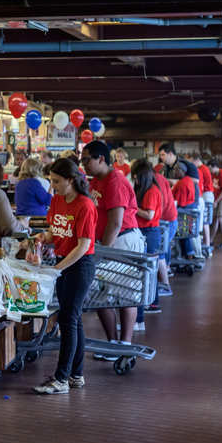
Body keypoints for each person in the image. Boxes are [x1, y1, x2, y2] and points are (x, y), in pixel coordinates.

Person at [32, 158, 97, 395]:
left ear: (71, 180)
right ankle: (76, 375)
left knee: (68, 320)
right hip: (64, 264)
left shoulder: (85, 205)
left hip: (79, 267)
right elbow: (55, 230)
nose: (53, 186)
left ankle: (61, 378)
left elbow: (83, 246)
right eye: (51, 181)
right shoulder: (58, 200)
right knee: (73, 320)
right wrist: (43, 238)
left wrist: (58, 267)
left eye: (57, 181)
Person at [81, 141, 143, 356]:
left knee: (126, 295)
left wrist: (102, 250)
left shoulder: (115, 181)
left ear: (101, 159)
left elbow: (116, 222)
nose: (84, 164)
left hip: (122, 240)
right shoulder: (96, 182)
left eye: (86, 159)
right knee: (98, 294)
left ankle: (124, 345)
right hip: (106, 241)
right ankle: (112, 344)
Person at [131, 159, 163, 323]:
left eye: (136, 177)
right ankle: (152, 301)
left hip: (149, 231)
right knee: (148, 270)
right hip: (146, 231)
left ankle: (150, 304)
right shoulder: (147, 189)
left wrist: (133, 207)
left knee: (147, 271)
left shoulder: (151, 191)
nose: (134, 180)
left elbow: (149, 215)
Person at [153, 168, 177, 297]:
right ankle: (164, 281)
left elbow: (162, 202)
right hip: (167, 219)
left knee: (159, 252)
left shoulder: (156, 180)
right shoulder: (159, 178)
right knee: (161, 251)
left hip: (166, 220)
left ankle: (165, 285)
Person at [171, 163, 197, 260]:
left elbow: (178, 202)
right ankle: (186, 254)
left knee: (183, 234)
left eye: (176, 170)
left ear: (181, 171)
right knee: (185, 234)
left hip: (184, 211)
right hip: (188, 211)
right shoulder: (188, 180)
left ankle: (188, 255)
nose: (174, 172)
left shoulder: (182, 183)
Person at [191, 152, 214, 255]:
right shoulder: (204, 168)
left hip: (206, 194)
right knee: (205, 222)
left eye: (192, 162)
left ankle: (207, 245)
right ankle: (207, 244)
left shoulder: (201, 169)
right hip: (207, 194)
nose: (191, 164)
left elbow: (201, 185)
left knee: (204, 222)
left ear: (196, 160)